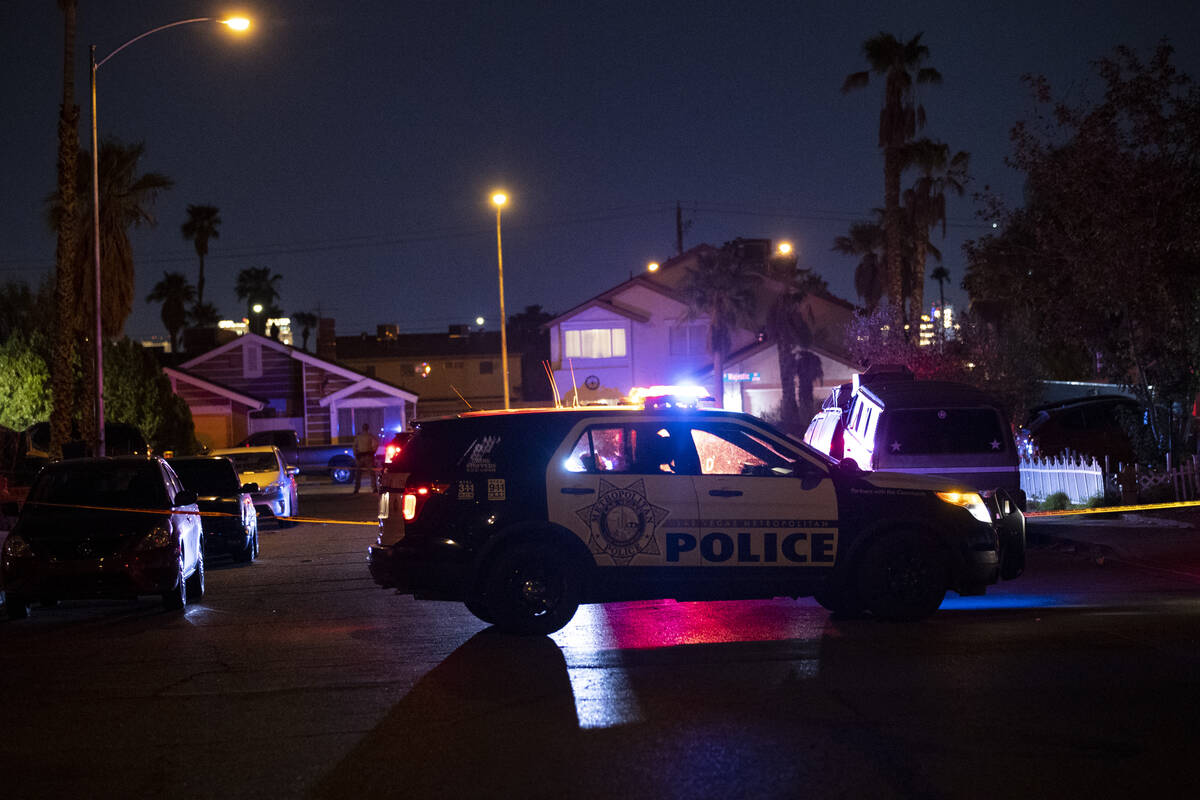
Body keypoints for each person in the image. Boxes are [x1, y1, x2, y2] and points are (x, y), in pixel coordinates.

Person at [353, 423, 379, 494]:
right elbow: (376, 444)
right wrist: (373, 451)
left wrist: (356, 454)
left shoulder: (359, 436)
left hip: (360, 456)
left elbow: (354, 446)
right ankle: (374, 488)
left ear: (362, 428)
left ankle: (356, 489)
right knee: (372, 473)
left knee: (358, 474)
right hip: (369, 456)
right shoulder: (370, 436)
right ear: (368, 428)